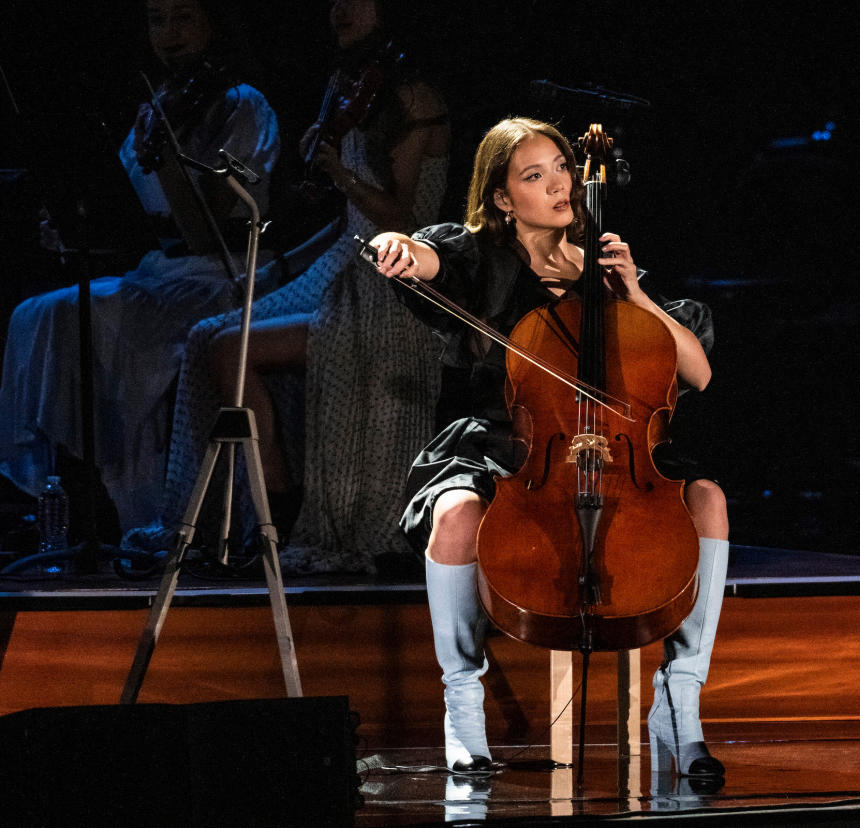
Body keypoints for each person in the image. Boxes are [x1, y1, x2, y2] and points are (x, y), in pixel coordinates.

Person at [368, 117, 730, 778]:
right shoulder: (484, 259)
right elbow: (427, 259)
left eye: (563, 168)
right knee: (454, 515)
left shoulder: (612, 267)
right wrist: (397, 244)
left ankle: (680, 704)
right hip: (508, 447)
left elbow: (698, 373)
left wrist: (634, 295)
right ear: (503, 197)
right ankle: (463, 708)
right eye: (534, 176)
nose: (559, 184)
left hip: (614, 454)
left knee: (706, 498)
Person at [125, 0, 448, 573]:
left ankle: (275, 517)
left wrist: (337, 171)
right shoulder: (352, 88)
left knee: (230, 346)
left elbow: (396, 216)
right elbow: (349, 225)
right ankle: (216, 519)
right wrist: (281, 266)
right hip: (346, 262)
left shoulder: (414, 98)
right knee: (207, 336)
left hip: (394, 278)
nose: (339, 10)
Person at [0, 0, 280, 531]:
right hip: (162, 269)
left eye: (184, 18)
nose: (169, 32)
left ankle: (152, 506)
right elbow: (128, 209)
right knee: (37, 312)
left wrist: (172, 159)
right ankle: (76, 500)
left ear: (212, 24)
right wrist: (77, 223)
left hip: (224, 273)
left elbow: (212, 227)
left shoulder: (241, 104)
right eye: (157, 20)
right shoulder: (157, 106)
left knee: (98, 319)